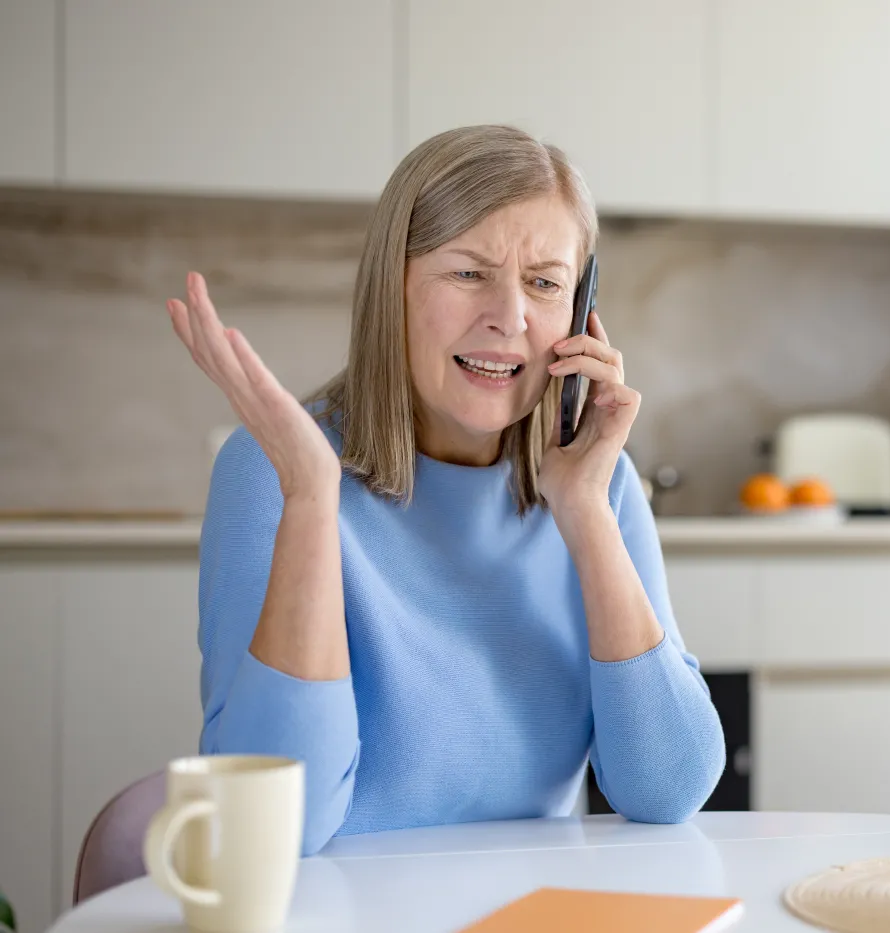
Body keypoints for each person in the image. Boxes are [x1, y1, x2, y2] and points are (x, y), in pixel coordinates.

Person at [167, 125, 725, 854]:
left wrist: (584, 510)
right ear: (390, 287)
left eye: (545, 282)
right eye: (468, 273)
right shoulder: (271, 469)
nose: (510, 317)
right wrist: (311, 496)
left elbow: (669, 788)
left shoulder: (600, 480)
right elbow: (274, 830)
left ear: (581, 310)